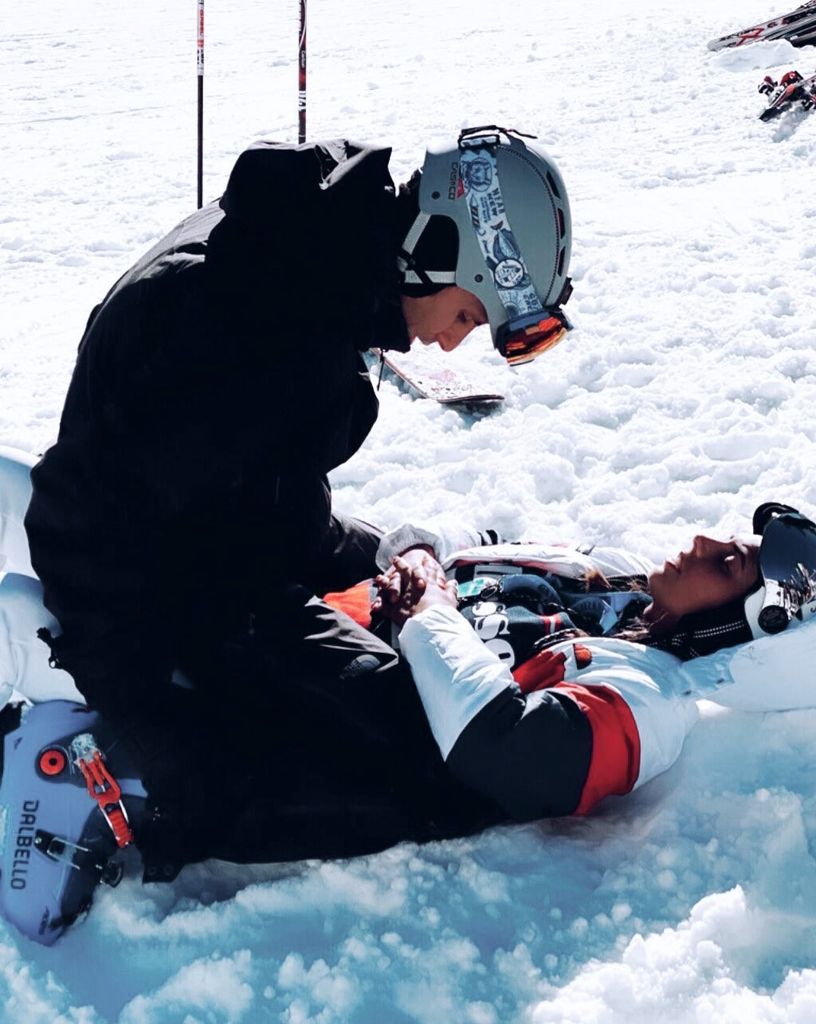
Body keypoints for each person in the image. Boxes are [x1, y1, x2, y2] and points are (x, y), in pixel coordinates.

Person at [22, 127, 574, 868]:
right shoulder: (256, 315)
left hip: (231, 541)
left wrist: (353, 552)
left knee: (425, 634)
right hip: (165, 597)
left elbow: (241, 469)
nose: (451, 344)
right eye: (468, 315)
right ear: (438, 250)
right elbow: (80, 509)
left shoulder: (310, 254)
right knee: (430, 764)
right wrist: (145, 718)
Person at [1, 447, 815, 943]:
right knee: (52, 500)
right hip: (293, 610)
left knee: (26, 615)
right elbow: (470, 549)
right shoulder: (614, 583)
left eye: (730, 563)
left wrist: (429, 614)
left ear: (744, 630)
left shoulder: (648, 700)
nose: (703, 540)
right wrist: (423, 556)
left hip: (269, 690)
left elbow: (512, 753)